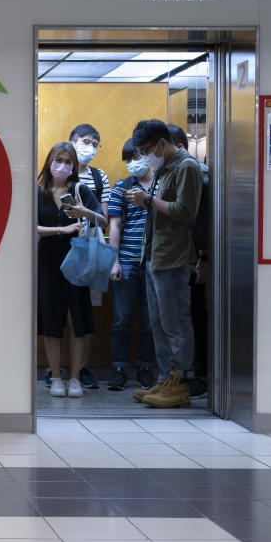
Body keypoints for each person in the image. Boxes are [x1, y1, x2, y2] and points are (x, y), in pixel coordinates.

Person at [127, 120, 204, 408]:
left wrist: (148, 200)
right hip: (155, 255)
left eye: (147, 150)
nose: (145, 156)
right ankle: (165, 378)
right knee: (158, 323)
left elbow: (186, 212)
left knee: (176, 324)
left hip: (173, 257)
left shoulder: (187, 168)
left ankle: (181, 382)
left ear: (161, 143)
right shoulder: (163, 168)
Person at [36, 142, 107, 398]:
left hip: (77, 261)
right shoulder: (39, 192)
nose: (62, 166)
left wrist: (84, 212)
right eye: (58, 160)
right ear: (49, 162)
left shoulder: (81, 189)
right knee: (51, 320)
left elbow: (103, 220)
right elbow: (30, 226)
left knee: (76, 319)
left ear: (74, 166)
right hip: (47, 262)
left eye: (68, 162)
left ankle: (75, 377)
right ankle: (55, 376)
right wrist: (60, 230)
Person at [106, 139, 155, 391]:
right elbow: (114, 224)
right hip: (126, 258)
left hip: (155, 259)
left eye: (137, 156)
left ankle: (146, 367)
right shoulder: (121, 187)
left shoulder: (161, 184)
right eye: (128, 159)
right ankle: (119, 368)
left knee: (150, 318)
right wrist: (114, 261)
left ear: (148, 155)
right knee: (121, 317)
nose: (133, 163)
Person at [168, 124, 209, 400]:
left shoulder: (195, 173)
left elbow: (200, 221)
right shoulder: (180, 171)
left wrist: (203, 258)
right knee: (188, 317)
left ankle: (198, 374)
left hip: (196, 258)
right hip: (188, 256)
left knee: (195, 317)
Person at [68, 123, 110, 390]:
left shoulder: (99, 177)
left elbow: (104, 219)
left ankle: (82, 368)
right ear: (72, 141)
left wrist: (85, 214)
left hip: (91, 247)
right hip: (62, 244)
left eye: (95, 144)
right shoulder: (58, 172)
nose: (90, 148)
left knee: (88, 309)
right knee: (60, 309)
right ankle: (55, 368)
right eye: (85, 141)